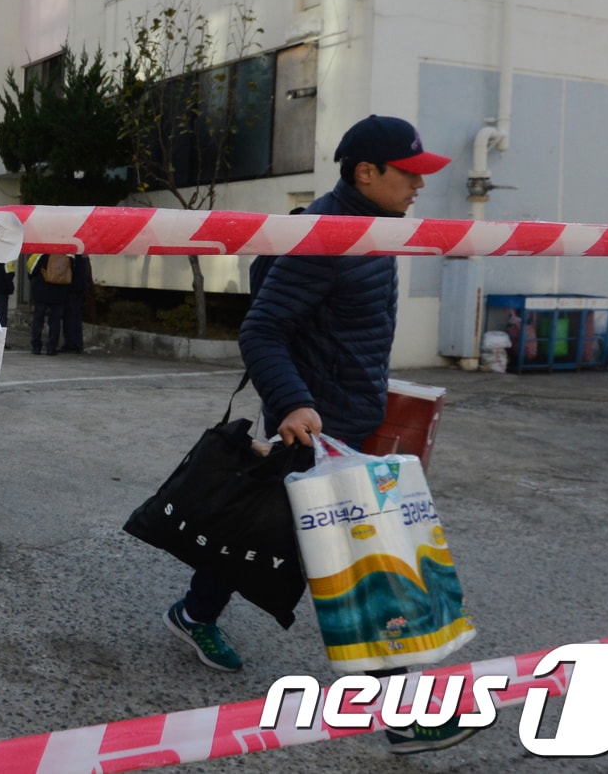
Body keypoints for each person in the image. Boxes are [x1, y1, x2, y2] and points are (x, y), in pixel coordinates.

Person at [161, 115, 471, 755]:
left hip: (350, 417)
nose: (419, 186)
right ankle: (401, 714)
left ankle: (194, 613)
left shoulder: (372, 231)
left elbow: (349, 330)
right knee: (371, 564)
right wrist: (294, 403)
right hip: (317, 428)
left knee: (258, 532)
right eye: (409, 173)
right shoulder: (326, 237)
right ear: (367, 173)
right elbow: (261, 330)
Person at [27, 253, 69, 355]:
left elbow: (31, 270)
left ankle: (36, 346)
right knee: (55, 321)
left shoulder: (39, 254)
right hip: (59, 292)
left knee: (38, 319)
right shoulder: (66, 254)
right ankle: (52, 347)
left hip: (41, 291)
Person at [60, 255, 92, 353]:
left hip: (72, 289)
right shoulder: (84, 258)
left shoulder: (74, 258)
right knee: (76, 317)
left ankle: (71, 344)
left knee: (70, 317)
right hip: (79, 289)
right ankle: (77, 343)